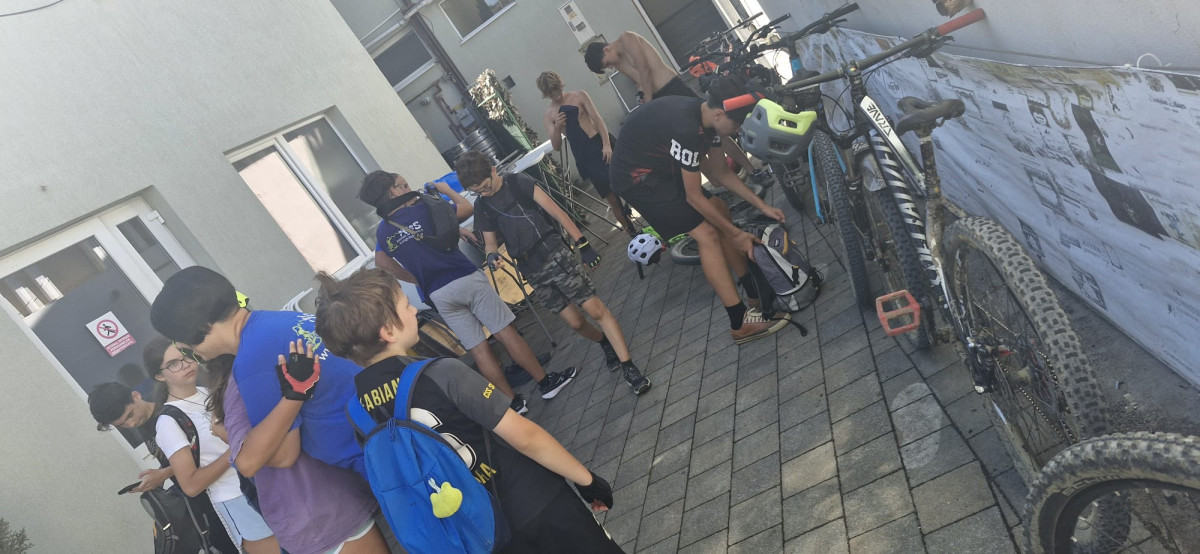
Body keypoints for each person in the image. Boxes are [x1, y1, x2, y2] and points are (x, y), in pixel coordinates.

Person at [312, 268, 623, 553]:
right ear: (388, 332)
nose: (414, 311)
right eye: (405, 306)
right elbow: (526, 437)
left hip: (478, 533)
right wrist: (586, 480)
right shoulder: (442, 373)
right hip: (535, 504)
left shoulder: (357, 411)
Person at [358, 171, 576, 414]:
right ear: (392, 191)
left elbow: (383, 263)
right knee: (505, 332)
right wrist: (446, 191)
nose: (408, 189)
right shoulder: (424, 207)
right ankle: (546, 383)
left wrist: (415, 278)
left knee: (478, 348)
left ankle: (512, 403)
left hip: (437, 293)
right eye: (403, 185)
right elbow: (466, 208)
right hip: (463, 277)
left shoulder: (383, 231)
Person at [609, 75, 790, 344]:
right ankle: (739, 322)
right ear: (719, 114)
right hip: (637, 180)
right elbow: (693, 197)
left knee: (719, 208)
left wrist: (762, 205)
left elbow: (721, 174)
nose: (738, 130)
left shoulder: (708, 121)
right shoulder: (687, 129)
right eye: (737, 124)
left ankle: (754, 294)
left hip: (659, 167)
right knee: (707, 234)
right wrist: (736, 234)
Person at [456, 150, 651, 395]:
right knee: (576, 323)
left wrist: (583, 243)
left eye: (485, 187)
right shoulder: (483, 206)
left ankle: (629, 368)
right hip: (531, 270)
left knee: (595, 310)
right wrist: (491, 255)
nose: (484, 193)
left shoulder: (517, 183)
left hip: (555, 254)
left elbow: (557, 211)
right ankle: (604, 343)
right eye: (477, 192)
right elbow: (490, 243)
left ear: (493, 170)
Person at [144, 336, 279, 554]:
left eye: (186, 356)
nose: (185, 364)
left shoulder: (209, 392)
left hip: (265, 482)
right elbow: (191, 485)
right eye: (173, 364)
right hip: (235, 497)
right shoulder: (168, 422)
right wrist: (236, 449)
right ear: (159, 376)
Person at [88, 382, 240, 553]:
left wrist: (165, 473)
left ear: (136, 396)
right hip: (201, 503)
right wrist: (158, 476)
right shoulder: (144, 424)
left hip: (222, 492)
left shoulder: (169, 417)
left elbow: (203, 449)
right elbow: (177, 456)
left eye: (130, 415)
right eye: (122, 425)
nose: (131, 424)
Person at [584, 34, 757, 171]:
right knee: (689, 142)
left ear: (607, 49)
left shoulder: (627, 39)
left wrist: (648, 101)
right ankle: (720, 180)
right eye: (607, 67)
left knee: (715, 129)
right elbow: (639, 82)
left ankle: (751, 169)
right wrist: (641, 95)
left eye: (607, 63)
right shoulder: (619, 64)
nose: (611, 66)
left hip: (673, 88)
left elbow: (645, 70)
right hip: (660, 101)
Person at [536, 71, 636, 237]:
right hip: (586, 155)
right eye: (551, 93)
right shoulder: (549, 115)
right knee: (612, 198)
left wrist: (606, 144)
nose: (556, 94)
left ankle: (650, 218)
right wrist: (558, 127)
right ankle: (633, 233)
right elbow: (556, 146)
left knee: (630, 184)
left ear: (560, 84)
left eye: (556, 89)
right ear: (546, 94)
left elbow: (597, 119)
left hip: (600, 142)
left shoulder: (579, 95)